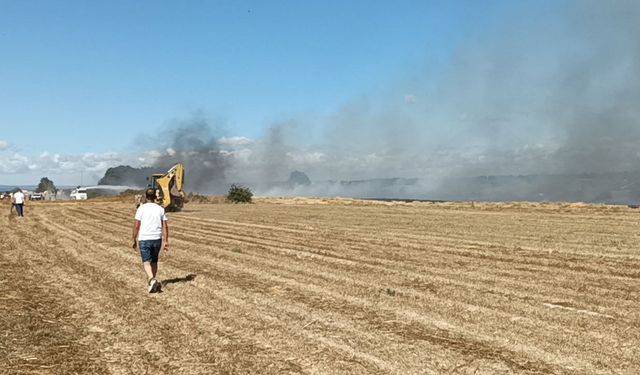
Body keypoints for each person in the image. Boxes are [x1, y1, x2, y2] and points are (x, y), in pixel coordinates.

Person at [132, 188, 169, 293]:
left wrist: (134, 239)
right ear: (155, 197)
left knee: (146, 261)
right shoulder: (160, 209)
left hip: (144, 238)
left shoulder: (141, 208)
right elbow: (165, 226)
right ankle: (153, 281)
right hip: (157, 238)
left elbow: (136, 226)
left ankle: (151, 279)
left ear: (145, 196)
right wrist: (166, 240)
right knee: (154, 261)